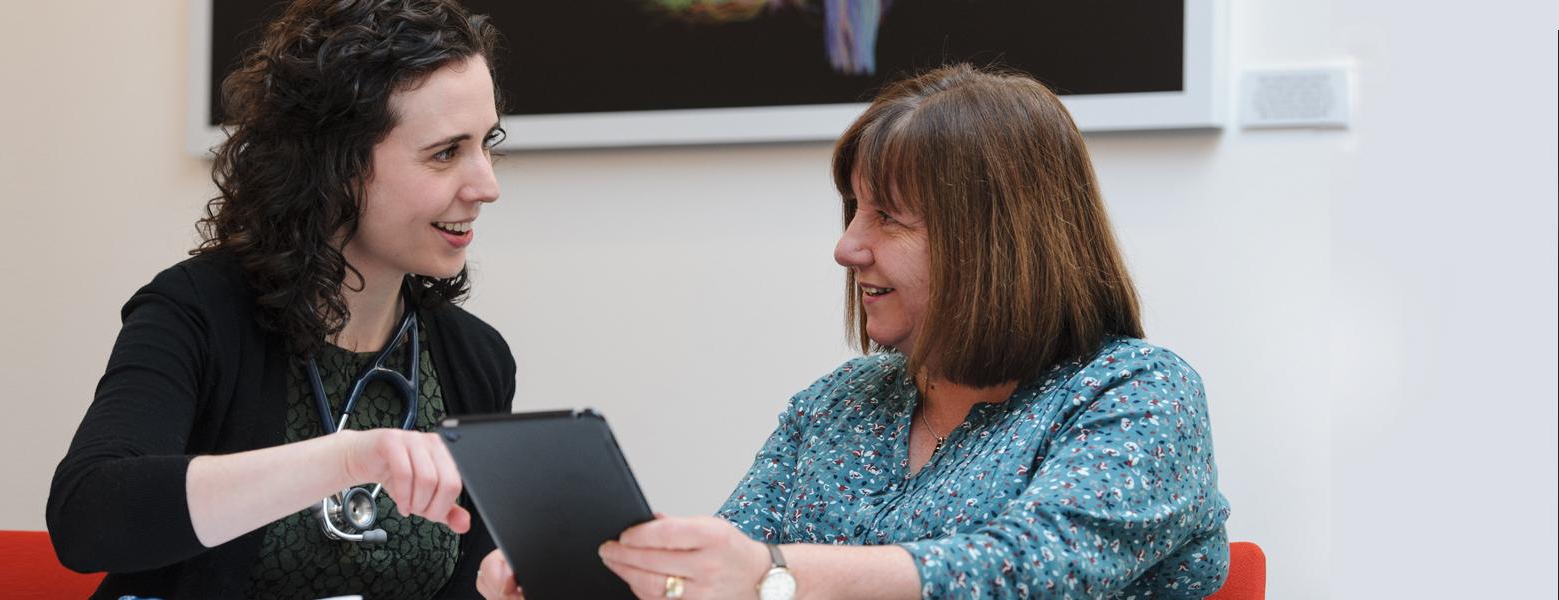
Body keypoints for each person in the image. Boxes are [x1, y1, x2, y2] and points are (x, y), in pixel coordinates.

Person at [478, 63, 1231, 600]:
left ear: (997, 243)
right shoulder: (837, 404)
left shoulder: (1135, 394)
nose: (847, 248)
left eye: (889, 218)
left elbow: (1029, 571)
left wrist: (773, 577)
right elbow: (735, 558)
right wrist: (616, 577)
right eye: (853, 212)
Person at [46, 1, 513, 598]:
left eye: (486, 143)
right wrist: (344, 460)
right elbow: (89, 518)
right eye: (446, 152)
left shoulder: (476, 360)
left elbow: (466, 579)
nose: (487, 185)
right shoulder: (195, 313)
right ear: (334, 164)